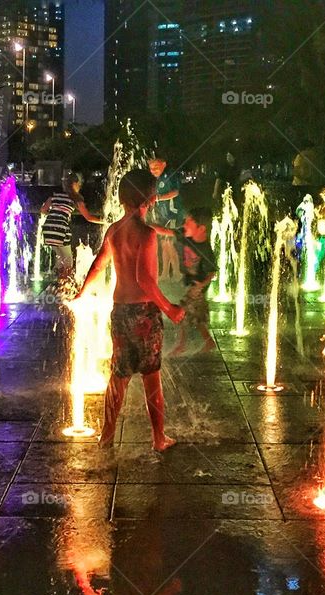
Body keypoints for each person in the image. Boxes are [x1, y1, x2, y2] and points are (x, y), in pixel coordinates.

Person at [74, 169, 185, 451]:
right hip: (144, 315)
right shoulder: (146, 234)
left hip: (120, 311)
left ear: (123, 199)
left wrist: (81, 294)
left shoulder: (114, 230)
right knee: (152, 379)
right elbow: (145, 279)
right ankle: (159, 439)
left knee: (118, 377)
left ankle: (106, 436)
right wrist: (169, 308)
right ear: (149, 199)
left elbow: (99, 266)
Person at [151, 206, 217, 355]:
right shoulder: (185, 235)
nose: (184, 224)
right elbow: (165, 231)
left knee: (181, 312)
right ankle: (208, 342)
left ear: (200, 229)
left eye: (188, 222)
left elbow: (212, 272)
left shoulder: (205, 250)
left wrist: (201, 285)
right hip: (191, 284)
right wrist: (148, 226)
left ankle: (182, 344)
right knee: (195, 317)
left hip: (197, 287)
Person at [40, 173, 102, 275]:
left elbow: (43, 210)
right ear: (75, 184)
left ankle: (55, 281)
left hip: (48, 228)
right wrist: (105, 220)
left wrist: (54, 214)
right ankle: (64, 285)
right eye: (79, 184)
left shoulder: (55, 195)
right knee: (68, 261)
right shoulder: (75, 198)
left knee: (60, 259)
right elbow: (89, 217)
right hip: (61, 229)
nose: (80, 186)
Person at [148, 157, 183, 281]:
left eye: (156, 167)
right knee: (164, 244)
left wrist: (158, 198)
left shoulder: (170, 175)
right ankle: (165, 273)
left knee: (169, 244)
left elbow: (175, 192)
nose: (153, 170)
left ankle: (177, 272)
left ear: (164, 164)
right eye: (151, 168)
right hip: (163, 216)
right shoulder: (157, 179)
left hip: (173, 214)